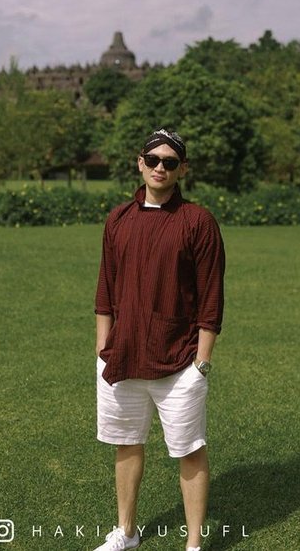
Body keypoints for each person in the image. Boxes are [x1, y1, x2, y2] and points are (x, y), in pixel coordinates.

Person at [93, 128, 226, 551]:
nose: (160, 168)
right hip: (123, 358)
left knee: (188, 451)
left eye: (170, 162)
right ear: (140, 163)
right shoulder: (118, 219)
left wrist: (201, 364)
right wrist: (102, 351)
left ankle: (193, 545)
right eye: (153, 160)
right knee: (126, 445)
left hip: (180, 362)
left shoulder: (197, 221)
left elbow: (211, 298)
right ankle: (127, 534)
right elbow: (105, 291)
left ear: (182, 169)